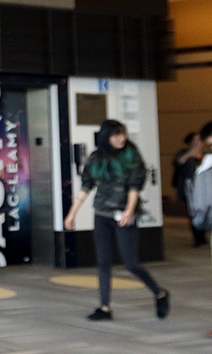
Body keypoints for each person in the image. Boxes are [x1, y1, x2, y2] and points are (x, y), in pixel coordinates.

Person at [64, 120, 169, 321]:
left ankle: (160, 293)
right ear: (106, 137)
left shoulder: (132, 156)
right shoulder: (97, 158)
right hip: (102, 214)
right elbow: (86, 186)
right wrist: (72, 214)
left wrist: (129, 211)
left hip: (124, 215)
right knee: (103, 262)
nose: (121, 138)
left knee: (130, 263)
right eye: (116, 135)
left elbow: (134, 186)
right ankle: (104, 308)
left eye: (122, 134)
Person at [173, 132, 207, 246]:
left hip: (205, 187)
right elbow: (177, 163)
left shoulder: (206, 154)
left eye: (199, 140)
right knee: (193, 212)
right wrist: (189, 154)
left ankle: (202, 235)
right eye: (195, 140)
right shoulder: (183, 153)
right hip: (190, 187)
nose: (197, 142)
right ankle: (197, 237)